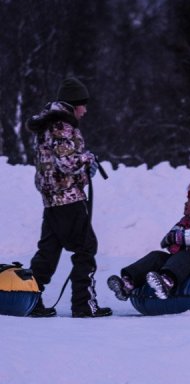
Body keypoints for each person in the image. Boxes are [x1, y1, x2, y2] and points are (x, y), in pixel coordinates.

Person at [24, 76, 112, 318]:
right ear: (74, 104)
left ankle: (29, 299)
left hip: (52, 200)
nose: (85, 110)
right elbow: (66, 162)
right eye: (83, 105)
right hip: (68, 199)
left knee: (49, 252)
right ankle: (83, 305)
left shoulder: (49, 124)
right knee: (86, 248)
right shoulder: (62, 125)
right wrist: (88, 159)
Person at [107, 179, 190, 301]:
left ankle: (166, 282)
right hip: (186, 259)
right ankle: (128, 283)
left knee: (186, 256)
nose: (186, 203)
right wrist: (172, 242)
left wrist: (176, 238)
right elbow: (171, 236)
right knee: (157, 256)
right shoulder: (186, 220)